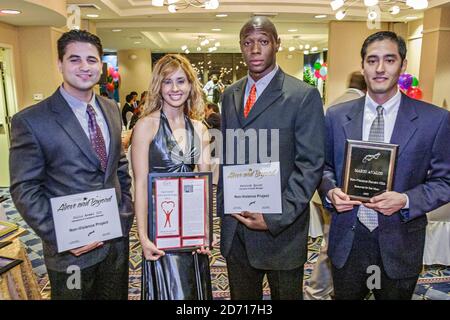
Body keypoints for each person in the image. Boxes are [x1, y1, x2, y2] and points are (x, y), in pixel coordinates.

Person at [320, 31, 450, 300]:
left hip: (400, 241)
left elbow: (445, 182)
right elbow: (323, 167)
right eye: (372, 60)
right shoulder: (335, 116)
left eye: (389, 60)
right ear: (362, 65)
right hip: (349, 240)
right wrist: (331, 191)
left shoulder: (434, 120)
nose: (380, 69)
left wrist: (404, 199)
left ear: (403, 65)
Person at [9, 29, 134, 300]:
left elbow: (119, 167)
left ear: (101, 65)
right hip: (71, 254)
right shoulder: (31, 121)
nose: (84, 67)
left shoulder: (111, 108)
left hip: (115, 244)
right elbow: (24, 189)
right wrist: (62, 237)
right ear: (60, 64)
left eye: (91, 60)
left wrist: (125, 214)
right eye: (75, 59)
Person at [217, 16, 325, 300]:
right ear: (241, 47)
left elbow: (310, 165)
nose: (255, 49)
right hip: (236, 229)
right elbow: (228, 156)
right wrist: (222, 210)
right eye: (248, 42)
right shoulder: (230, 94)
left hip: (281, 232)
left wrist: (275, 217)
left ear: (277, 44)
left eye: (263, 41)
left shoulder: (303, 96)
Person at [131, 54, 212, 300]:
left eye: (181, 81)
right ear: (158, 86)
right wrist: (142, 236)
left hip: (192, 230)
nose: (175, 88)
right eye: (168, 82)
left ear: (190, 85)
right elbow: (141, 185)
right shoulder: (145, 126)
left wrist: (207, 231)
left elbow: (204, 186)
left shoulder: (200, 129)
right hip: (161, 231)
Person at [304, 71, 367, 300]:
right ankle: (317, 292)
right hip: (340, 193)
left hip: (321, 191)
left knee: (331, 243)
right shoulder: (353, 108)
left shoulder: (333, 102)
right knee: (332, 245)